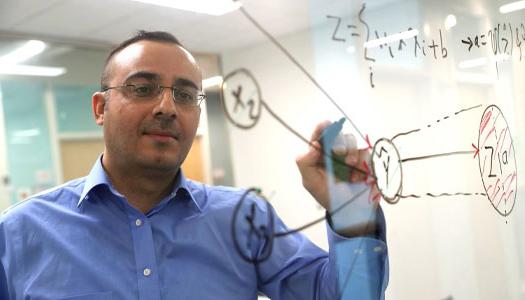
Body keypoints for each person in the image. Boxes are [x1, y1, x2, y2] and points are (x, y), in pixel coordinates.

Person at [0, 31, 388, 299]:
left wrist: (352, 208)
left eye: (185, 94)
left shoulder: (245, 220)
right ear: (101, 108)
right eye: (142, 88)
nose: (167, 107)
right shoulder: (19, 235)